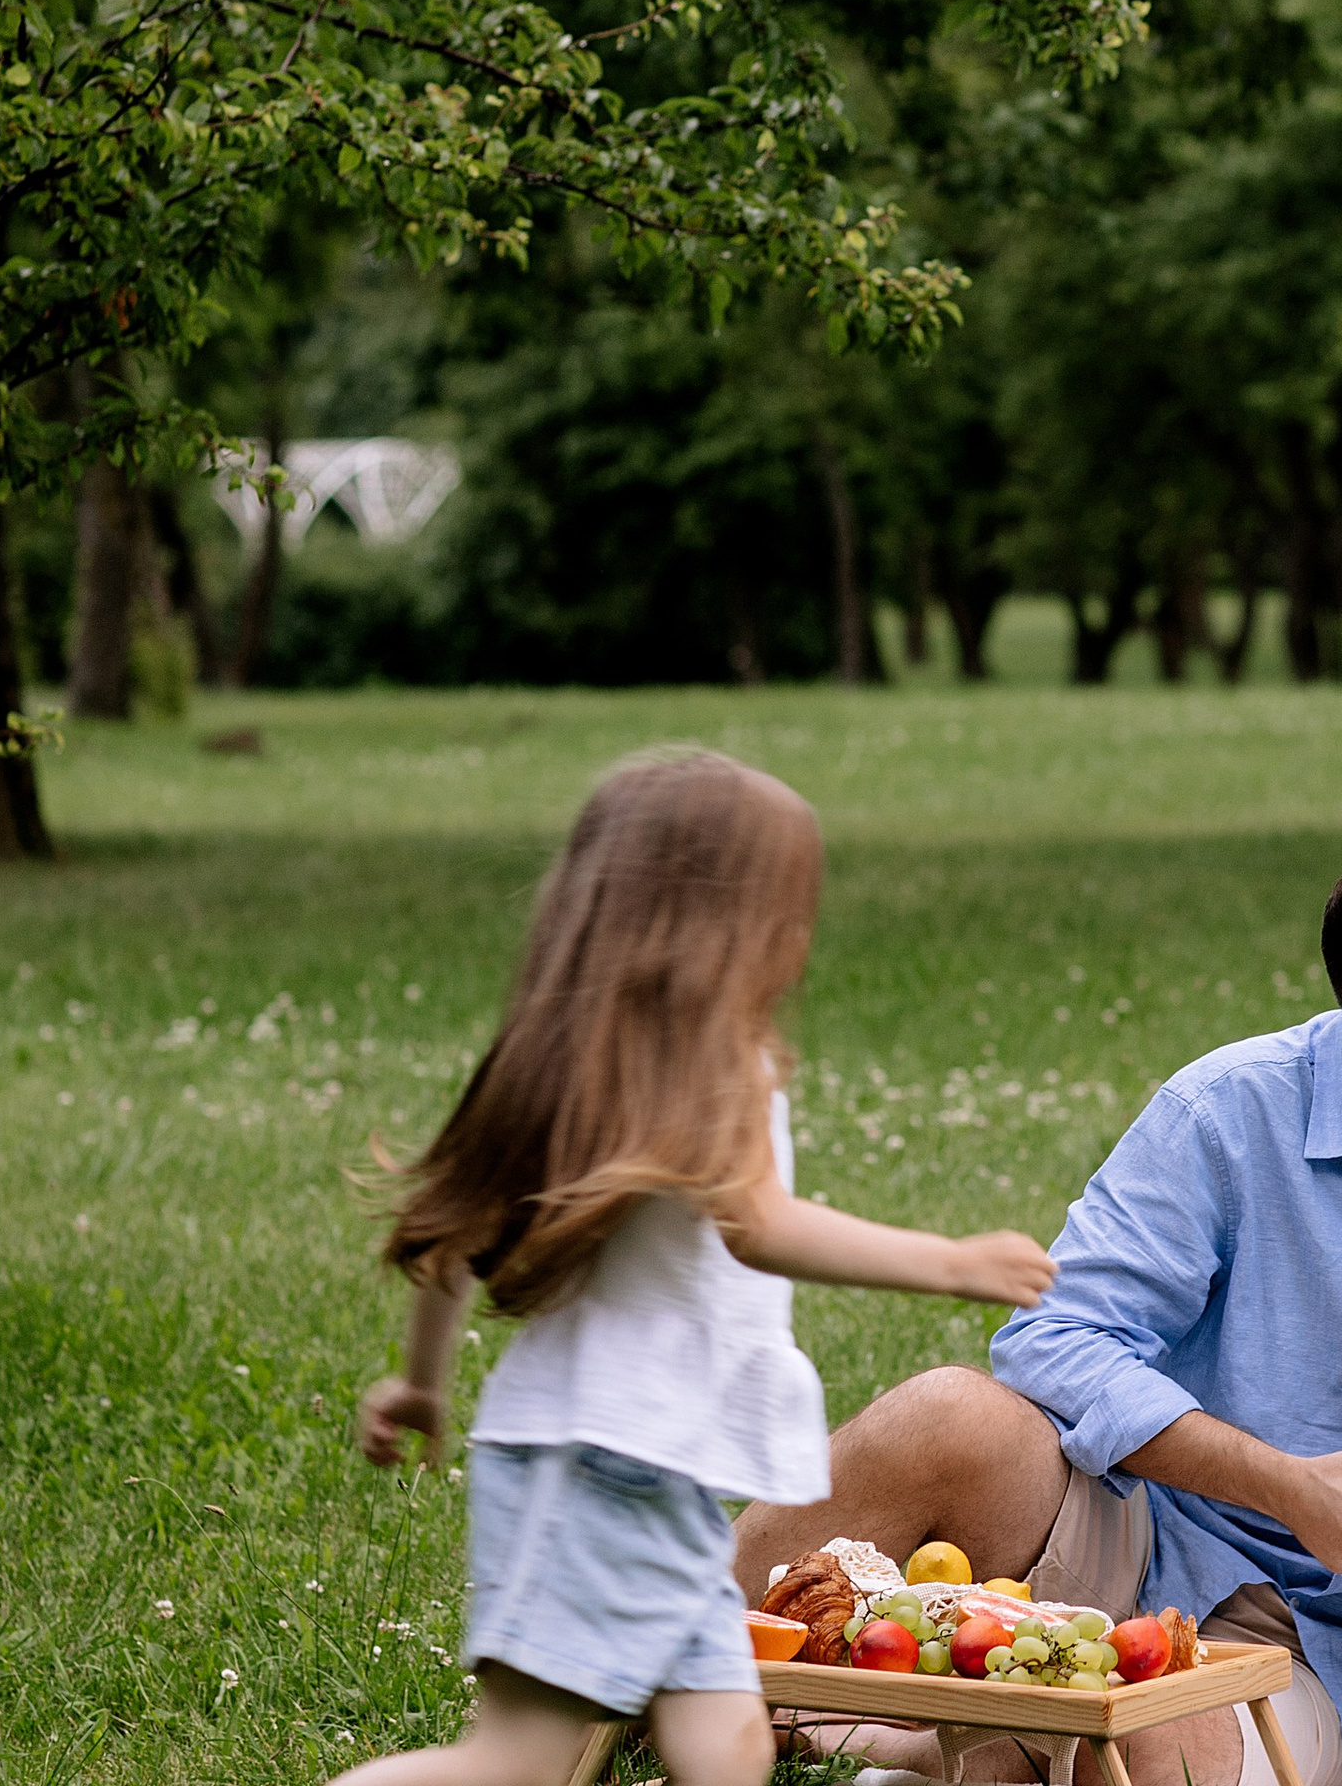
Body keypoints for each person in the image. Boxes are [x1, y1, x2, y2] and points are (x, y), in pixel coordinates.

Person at [735, 837, 1342, 1786]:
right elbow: (1054, 1338)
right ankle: (660, 1657)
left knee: (1160, 1759)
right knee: (950, 1416)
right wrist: (1287, 1485)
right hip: (1168, 1547)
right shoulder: (1228, 1114)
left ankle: (892, 1737)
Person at [334, 749, 1057, 1786]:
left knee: (725, 1743)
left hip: (608, 1466)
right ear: (724, 922)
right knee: (514, 1763)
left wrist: (420, 1381)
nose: (798, 939)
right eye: (786, 908)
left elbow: (454, 1237)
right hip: (605, 1471)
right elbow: (754, 1222)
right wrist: (946, 1260)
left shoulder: (573, 1057)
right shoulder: (719, 1060)